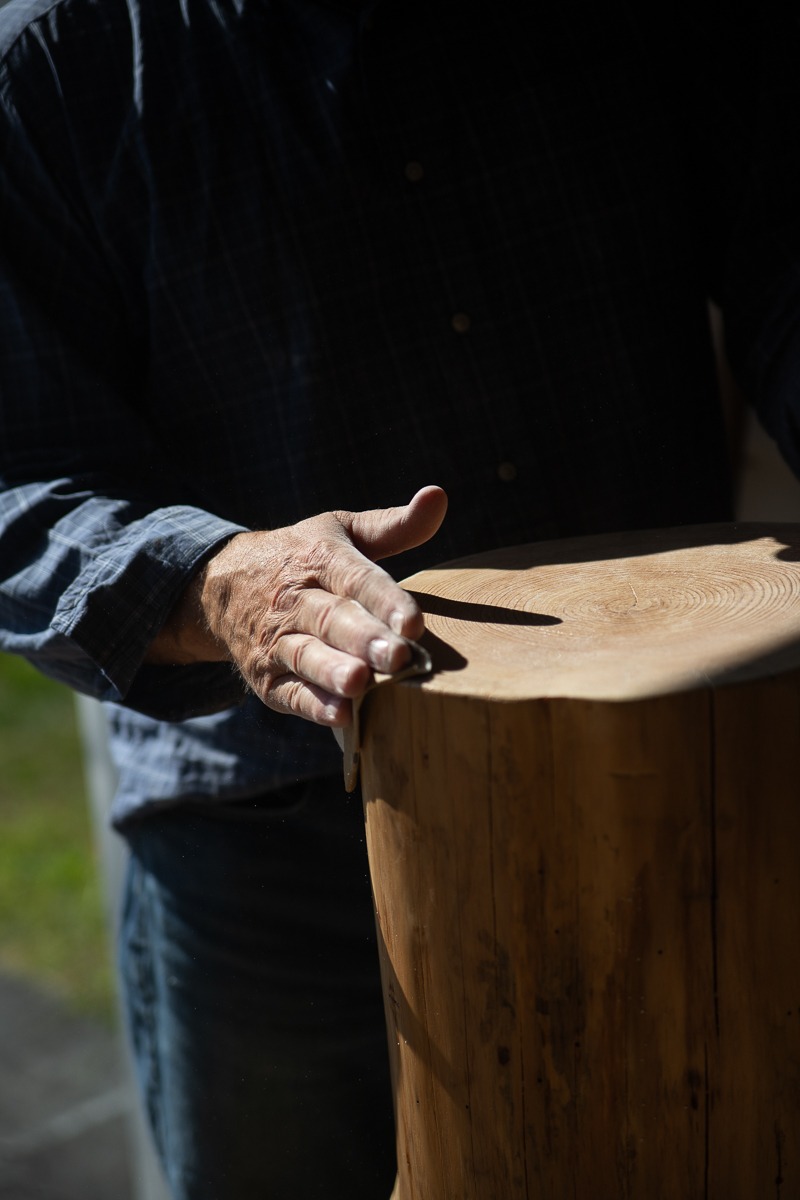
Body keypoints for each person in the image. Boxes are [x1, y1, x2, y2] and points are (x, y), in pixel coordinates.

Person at [0, 0, 797, 1196]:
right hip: (272, 831)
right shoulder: (58, 59)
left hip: (673, 774)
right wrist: (230, 584)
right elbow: (22, 477)